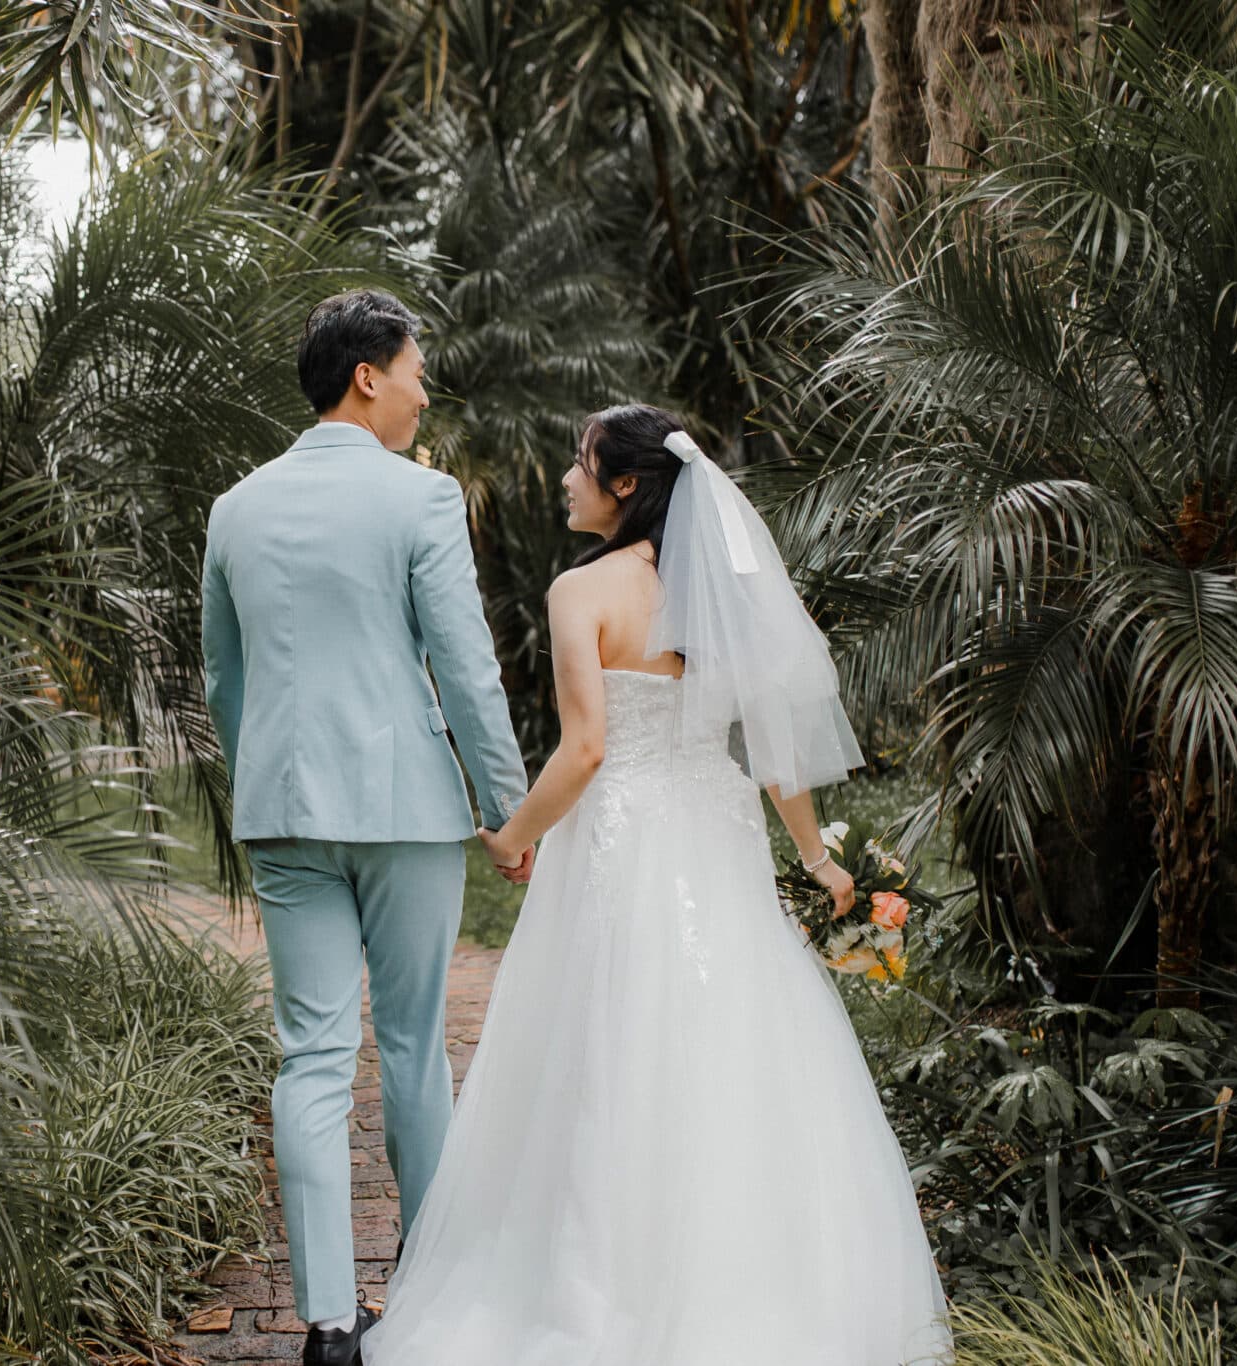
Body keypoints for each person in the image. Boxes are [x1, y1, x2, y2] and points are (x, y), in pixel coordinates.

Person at [359, 404, 955, 1364]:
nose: (564, 477)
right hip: (715, 836)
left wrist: (513, 836)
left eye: (580, 463)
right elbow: (769, 748)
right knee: (730, 1041)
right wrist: (816, 859)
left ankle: (599, 1300)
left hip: (626, 842)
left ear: (626, 485)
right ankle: (756, 1289)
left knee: (605, 1045)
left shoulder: (580, 591)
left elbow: (587, 749)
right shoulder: (718, 592)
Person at [200, 289, 531, 1366]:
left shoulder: (235, 507)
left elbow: (224, 674)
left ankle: (328, 1326)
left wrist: (268, 780)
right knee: (411, 1049)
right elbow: (465, 667)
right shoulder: (420, 501)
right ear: (368, 376)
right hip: (404, 812)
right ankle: (424, 1298)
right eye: (417, 368)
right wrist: (506, 805)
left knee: (310, 1059)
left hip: (285, 814)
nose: (425, 389)